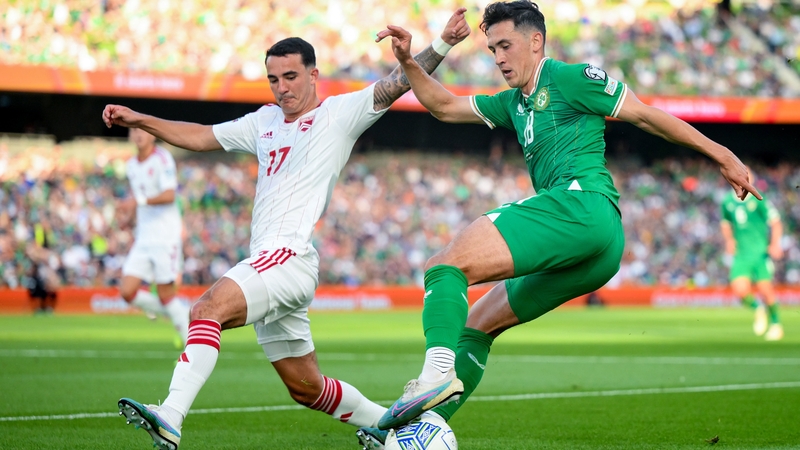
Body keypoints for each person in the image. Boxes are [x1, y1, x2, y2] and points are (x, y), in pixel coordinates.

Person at [370, 0, 760, 437]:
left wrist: (723, 155)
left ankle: (435, 374)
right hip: (597, 249)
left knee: (445, 265)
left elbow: (647, 115)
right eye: (491, 49)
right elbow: (443, 106)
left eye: (505, 45)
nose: (498, 57)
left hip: (582, 206)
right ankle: (423, 431)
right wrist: (408, 60)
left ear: (536, 42)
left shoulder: (571, 78)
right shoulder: (512, 103)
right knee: (476, 325)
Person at [102, 8, 470, 450]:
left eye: (291, 76)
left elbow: (398, 82)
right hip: (272, 264)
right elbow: (200, 136)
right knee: (307, 389)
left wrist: (443, 42)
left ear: (313, 75)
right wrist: (141, 119)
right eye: (274, 79)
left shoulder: (339, 114)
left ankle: (171, 415)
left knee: (205, 311)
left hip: (287, 256)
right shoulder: (263, 123)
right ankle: (393, 429)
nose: (282, 88)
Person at [117, 128, 191, 345]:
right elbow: (138, 198)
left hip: (165, 236)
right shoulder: (131, 165)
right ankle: (180, 312)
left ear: (151, 135)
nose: (138, 134)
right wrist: (128, 219)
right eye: (134, 130)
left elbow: (169, 195)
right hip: (143, 237)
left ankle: (191, 348)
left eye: (143, 130)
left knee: (165, 294)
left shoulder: (162, 158)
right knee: (127, 291)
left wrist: (136, 203)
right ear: (130, 136)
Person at [721, 169, 784, 341]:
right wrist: (729, 240)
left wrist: (775, 243)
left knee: (766, 291)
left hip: (760, 253)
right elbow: (725, 223)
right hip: (741, 255)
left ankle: (776, 324)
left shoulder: (759, 198)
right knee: (740, 291)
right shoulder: (727, 201)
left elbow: (776, 222)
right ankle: (758, 308)